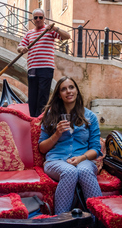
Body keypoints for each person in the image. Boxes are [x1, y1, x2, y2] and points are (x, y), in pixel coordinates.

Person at [38, 76, 102, 214]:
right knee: (69, 171)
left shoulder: (90, 116)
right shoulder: (51, 116)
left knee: (83, 171)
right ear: (59, 95)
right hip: (56, 160)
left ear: (77, 91)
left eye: (71, 87)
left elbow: (96, 149)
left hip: (83, 160)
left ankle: (99, 218)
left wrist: (80, 158)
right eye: (64, 89)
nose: (68, 91)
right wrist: (57, 134)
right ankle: (61, 220)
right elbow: (42, 148)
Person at [17, 8, 70, 117]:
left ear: (44, 18)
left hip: (46, 68)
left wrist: (56, 28)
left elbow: (67, 37)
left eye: (40, 17)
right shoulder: (29, 34)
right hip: (32, 68)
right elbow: (19, 47)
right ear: (33, 19)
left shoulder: (50, 31)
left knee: (42, 96)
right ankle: (33, 119)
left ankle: (39, 121)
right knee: (32, 97)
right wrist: (22, 49)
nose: (38, 19)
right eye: (35, 17)